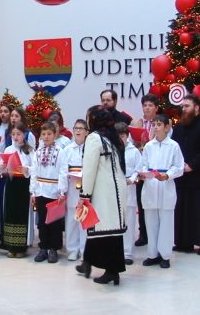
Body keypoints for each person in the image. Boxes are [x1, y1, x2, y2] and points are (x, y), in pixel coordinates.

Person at [75, 106, 128, 286]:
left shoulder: (94, 138)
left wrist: (84, 195)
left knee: (103, 230)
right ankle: (90, 263)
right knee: (108, 230)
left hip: (103, 191)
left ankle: (111, 271)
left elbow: (89, 169)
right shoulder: (113, 138)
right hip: (117, 190)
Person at [171, 94, 200, 255]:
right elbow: (174, 148)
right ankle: (184, 242)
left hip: (198, 174)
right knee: (182, 208)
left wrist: (192, 165)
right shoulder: (179, 127)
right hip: (181, 174)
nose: (184, 109)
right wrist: (178, 165)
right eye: (182, 106)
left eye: (187, 106)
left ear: (196, 108)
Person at [139, 115, 184, 269]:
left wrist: (167, 175)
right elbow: (143, 164)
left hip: (166, 185)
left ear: (166, 127)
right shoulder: (148, 146)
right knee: (151, 221)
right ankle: (152, 254)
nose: (156, 127)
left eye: (159, 124)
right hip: (151, 185)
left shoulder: (173, 146)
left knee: (166, 222)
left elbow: (179, 166)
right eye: (154, 124)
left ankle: (165, 255)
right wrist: (144, 173)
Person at [29, 121, 68, 264]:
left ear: (55, 135)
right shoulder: (37, 152)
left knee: (54, 222)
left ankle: (54, 249)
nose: (46, 137)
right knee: (42, 222)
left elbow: (63, 171)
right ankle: (43, 247)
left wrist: (62, 191)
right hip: (40, 190)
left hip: (54, 191)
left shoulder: (60, 152)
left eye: (49, 134)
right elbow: (34, 172)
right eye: (43, 134)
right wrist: (33, 191)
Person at [129, 93, 162, 247]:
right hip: (140, 167)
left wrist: (151, 139)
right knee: (141, 202)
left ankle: (157, 233)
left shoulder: (161, 123)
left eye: (150, 105)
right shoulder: (137, 123)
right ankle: (143, 234)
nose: (147, 108)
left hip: (155, 167)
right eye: (145, 105)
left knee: (155, 202)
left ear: (156, 108)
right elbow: (129, 144)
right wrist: (137, 141)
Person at [0, 122, 35, 258]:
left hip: (23, 184)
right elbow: (1, 168)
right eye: (13, 134)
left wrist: (27, 169)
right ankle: (10, 246)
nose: (15, 137)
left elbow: (35, 168)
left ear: (24, 135)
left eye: (18, 134)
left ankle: (20, 247)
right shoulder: (8, 149)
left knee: (21, 213)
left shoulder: (29, 150)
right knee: (10, 213)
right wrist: (2, 167)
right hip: (11, 183)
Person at [63, 119, 88, 262]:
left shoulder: (90, 149)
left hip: (85, 187)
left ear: (86, 132)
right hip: (72, 186)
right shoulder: (67, 149)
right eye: (76, 128)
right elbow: (63, 169)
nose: (78, 131)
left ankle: (85, 250)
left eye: (81, 128)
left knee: (84, 218)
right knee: (72, 219)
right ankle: (72, 249)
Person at [116, 122, 141, 265]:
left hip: (129, 188)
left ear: (127, 135)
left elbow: (139, 169)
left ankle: (127, 253)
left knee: (129, 223)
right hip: (114, 189)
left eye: (123, 136)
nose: (120, 139)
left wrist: (131, 179)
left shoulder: (134, 151)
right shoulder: (112, 150)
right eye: (118, 136)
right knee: (115, 223)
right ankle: (116, 251)